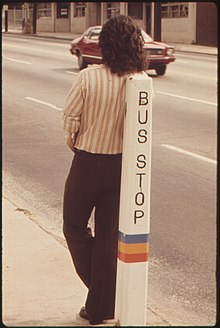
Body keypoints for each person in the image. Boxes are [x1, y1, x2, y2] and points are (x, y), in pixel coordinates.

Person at [62, 14, 148, 325]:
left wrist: (81, 141)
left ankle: (100, 295)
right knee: (107, 237)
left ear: (105, 44)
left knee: (74, 227)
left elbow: (70, 130)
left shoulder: (87, 78)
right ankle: (101, 305)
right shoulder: (141, 82)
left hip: (87, 163)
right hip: (121, 169)